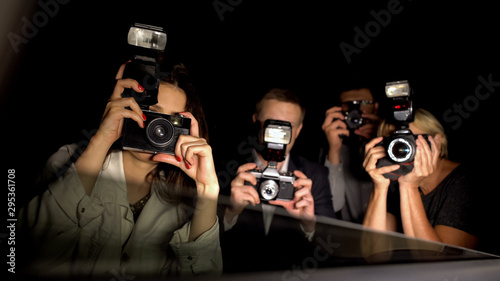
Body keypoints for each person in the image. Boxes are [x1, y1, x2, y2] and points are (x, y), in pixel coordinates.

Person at [18, 62, 222, 279]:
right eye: (152, 114)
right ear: (128, 107)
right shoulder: (67, 161)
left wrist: (207, 188)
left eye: (172, 122)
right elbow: (24, 250)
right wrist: (102, 138)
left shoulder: (185, 204)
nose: (159, 130)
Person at [220, 88, 336, 272]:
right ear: (255, 122)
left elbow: (333, 243)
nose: (279, 133)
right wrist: (229, 214)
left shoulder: (315, 174)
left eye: (287, 126)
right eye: (271, 124)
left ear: (298, 130)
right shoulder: (226, 169)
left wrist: (309, 224)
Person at [362, 108, 479, 249]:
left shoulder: (466, 181)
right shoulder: (394, 181)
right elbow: (373, 253)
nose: (399, 150)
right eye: (392, 143)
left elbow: (439, 263)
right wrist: (379, 188)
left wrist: (409, 187)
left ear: (437, 141)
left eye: (407, 140)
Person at [321, 86, 380, 222]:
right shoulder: (333, 148)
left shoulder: (391, 143)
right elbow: (333, 204)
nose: (357, 110)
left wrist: (382, 136)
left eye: (364, 103)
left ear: (375, 107)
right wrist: (334, 149)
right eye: (349, 105)